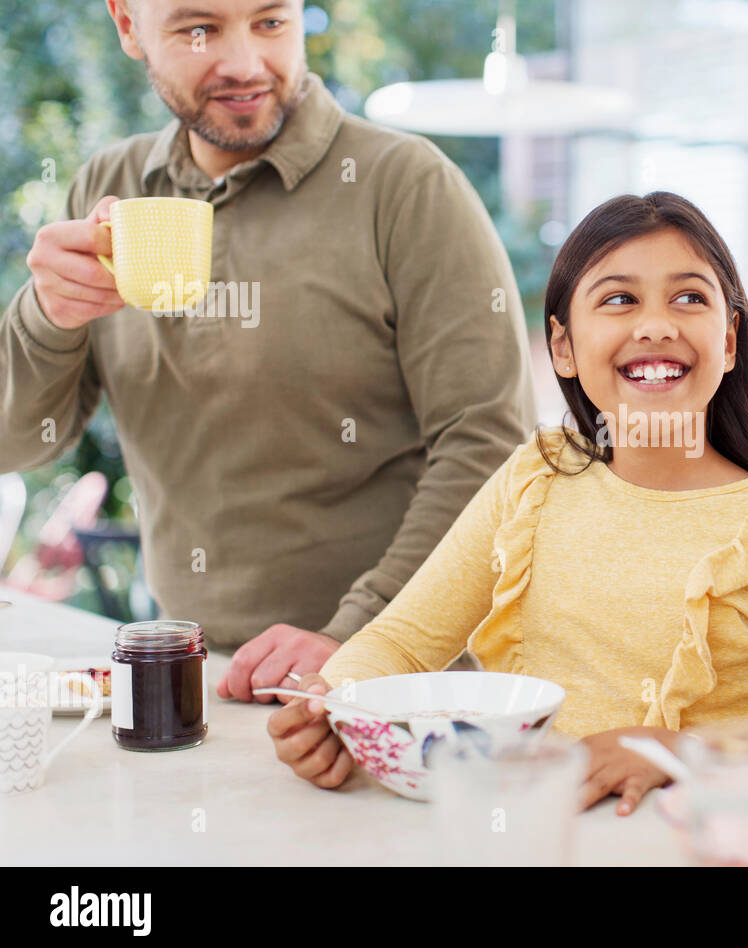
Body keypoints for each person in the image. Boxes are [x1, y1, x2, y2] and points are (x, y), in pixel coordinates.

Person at [269, 192, 748, 814]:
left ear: (727, 342)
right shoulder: (536, 478)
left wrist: (672, 753)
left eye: (689, 297)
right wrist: (336, 706)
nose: (656, 325)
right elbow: (401, 644)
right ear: (562, 345)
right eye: (619, 299)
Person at [0, 0, 535, 697]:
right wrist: (47, 315)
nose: (246, 64)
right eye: (200, 28)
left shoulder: (406, 186)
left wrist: (354, 640)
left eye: (271, 22)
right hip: (191, 679)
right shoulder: (109, 189)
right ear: (128, 26)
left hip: (399, 686)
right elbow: (18, 445)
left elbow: (490, 447)